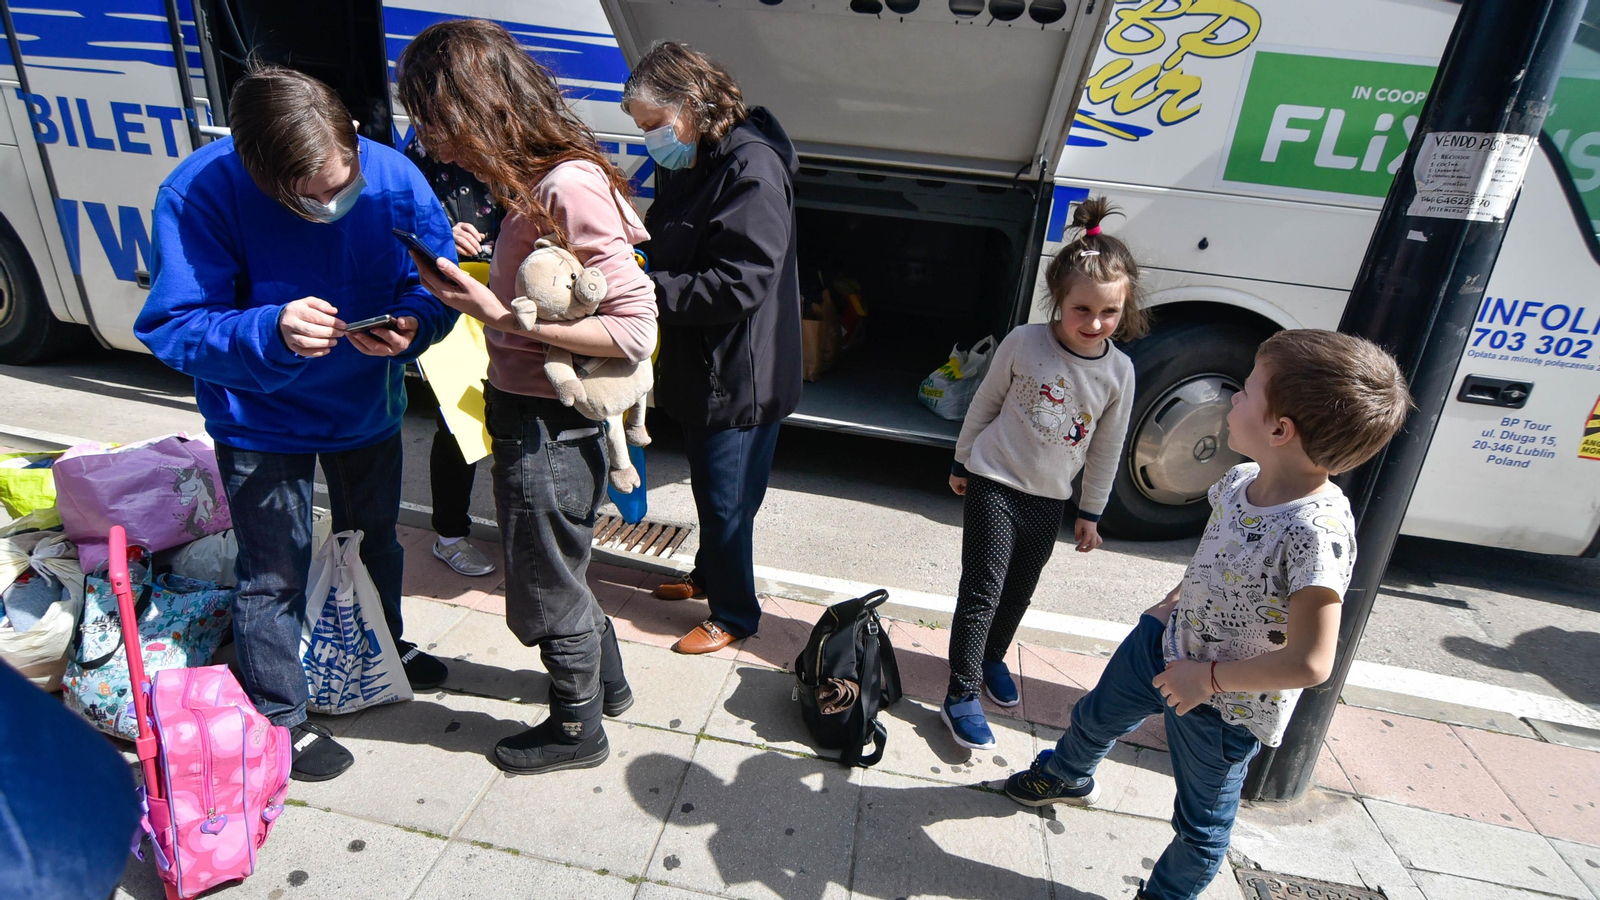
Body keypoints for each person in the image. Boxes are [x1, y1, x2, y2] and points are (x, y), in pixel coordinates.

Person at [1003, 329, 1412, 900]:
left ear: (1279, 430)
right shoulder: (1241, 479)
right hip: (1166, 642)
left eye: (1244, 391)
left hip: (1225, 704)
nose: (1231, 401)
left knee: (1201, 826)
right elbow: (1219, 554)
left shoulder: (1316, 532)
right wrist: (1170, 604)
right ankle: (1067, 775)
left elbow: (1313, 661)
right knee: (1096, 715)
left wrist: (1209, 679)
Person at [136, 65, 458, 782]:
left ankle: (384, 643)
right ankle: (281, 711)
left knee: (376, 542)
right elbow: (172, 326)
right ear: (262, 173)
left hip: (366, 407)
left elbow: (439, 282)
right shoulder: (199, 190)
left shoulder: (395, 176)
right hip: (259, 418)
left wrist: (416, 324)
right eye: (310, 197)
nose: (333, 202)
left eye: (344, 184)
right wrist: (269, 331)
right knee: (271, 572)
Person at [395, 18, 649, 775]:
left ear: (477, 106)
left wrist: (496, 315)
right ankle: (608, 686)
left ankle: (577, 731)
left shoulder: (563, 186)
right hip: (535, 411)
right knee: (560, 562)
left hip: (547, 424)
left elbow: (633, 327)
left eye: (432, 119)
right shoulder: (532, 183)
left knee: (544, 579)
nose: (428, 141)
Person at [623, 42, 803, 655]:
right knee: (713, 488)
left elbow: (741, 281)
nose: (650, 138)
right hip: (709, 361)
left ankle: (734, 614)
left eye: (653, 124)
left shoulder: (749, 168)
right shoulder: (697, 154)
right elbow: (669, 229)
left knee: (728, 500)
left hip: (739, 369)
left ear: (693, 106)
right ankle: (707, 575)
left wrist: (646, 290)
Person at [943, 198, 1143, 751]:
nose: (1095, 323)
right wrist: (962, 460)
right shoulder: (1024, 342)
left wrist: (1091, 512)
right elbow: (984, 403)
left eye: (1109, 313)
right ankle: (960, 692)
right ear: (1059, 299)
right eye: (1082, 310)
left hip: (1049, 499)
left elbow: (1106, 448)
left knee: (1018, 591)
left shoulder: (1119, 372)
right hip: (994, 482)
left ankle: (992, 658)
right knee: (983, 587)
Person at [404, 137, 500, 578]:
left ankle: (524, 535)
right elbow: (400, 222)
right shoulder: (420, 152)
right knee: (460, 421)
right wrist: (443, 232)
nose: (435, 144)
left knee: (520, 421)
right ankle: (450, 536)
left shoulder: (518, 138)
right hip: (455, 295)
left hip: (516, 292)